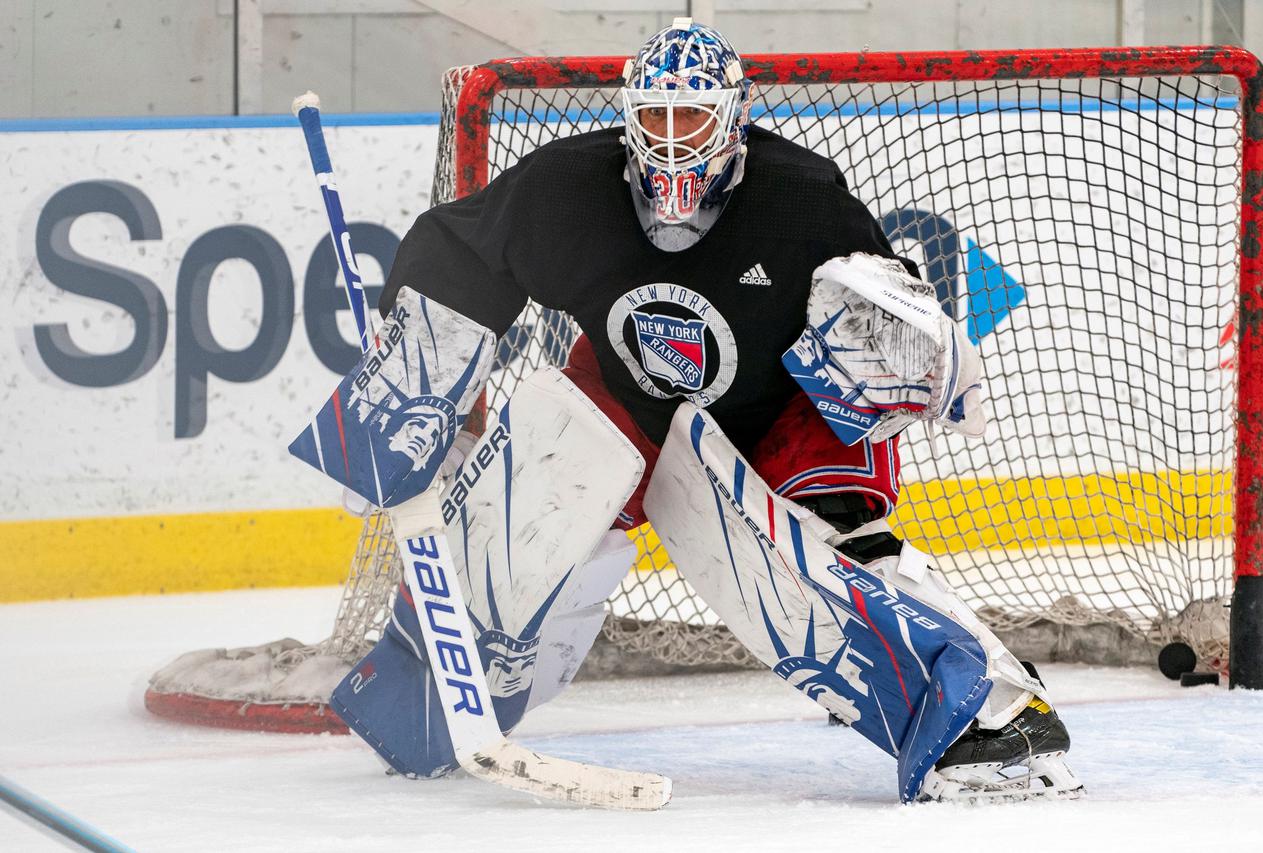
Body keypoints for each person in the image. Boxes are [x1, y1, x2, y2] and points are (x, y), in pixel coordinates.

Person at [374, 17, 1080, 802]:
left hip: (784, 405)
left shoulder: (801, 199)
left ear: (734, 119)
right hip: (632, 391)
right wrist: (415, 400)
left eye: (694, 118)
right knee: (533, 506)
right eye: (655, 117)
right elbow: (457, 254)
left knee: (823, 558)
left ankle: (990, 717)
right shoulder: (566, 189)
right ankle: (431, 687)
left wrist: (905, 352)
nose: (673, 141)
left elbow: (890, 317)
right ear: (628, 118)